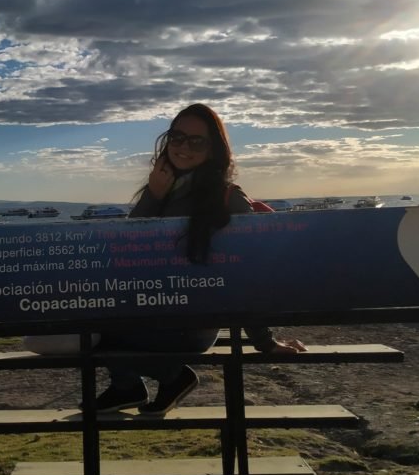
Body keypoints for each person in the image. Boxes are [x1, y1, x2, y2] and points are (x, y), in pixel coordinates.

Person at [91, 103, 305, 415]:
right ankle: (131, 386)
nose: (183, 147)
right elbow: (130, 248)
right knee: (88, 322)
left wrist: (265, 341)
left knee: (97, 332)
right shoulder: (160, 188)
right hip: (152, 307)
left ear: (214, 149)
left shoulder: (227, 197)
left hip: (194, 321)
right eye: (177, 137)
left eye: (197, 141)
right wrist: (153, 195)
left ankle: (171, 377)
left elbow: (250, 272)